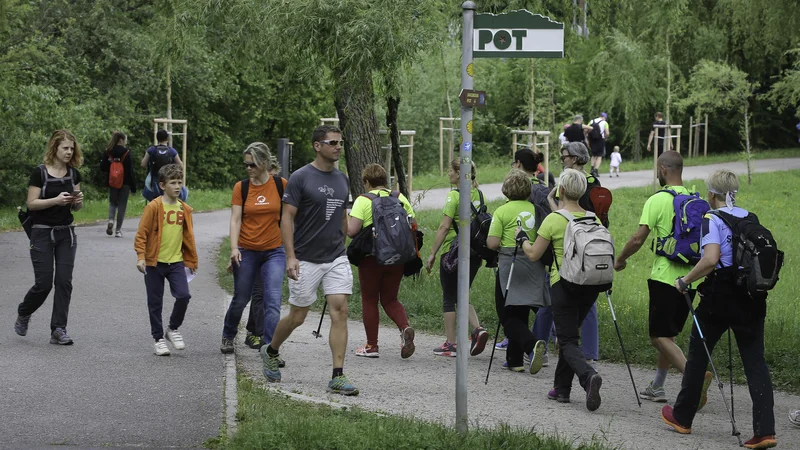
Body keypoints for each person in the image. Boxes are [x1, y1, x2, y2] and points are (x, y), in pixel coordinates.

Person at [661, 169, 776, 450]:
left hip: (719, 298)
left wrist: (685, 280)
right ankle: (765, 431)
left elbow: (711, 259)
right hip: (751, 297)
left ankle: (682, 417)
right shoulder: (750, 217)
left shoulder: (711, 218)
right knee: (755, 362)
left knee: (699, 356)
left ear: (711, 193)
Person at [260, 125, 358, 396]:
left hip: (336, 256)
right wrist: (290, 256)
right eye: (332, 142)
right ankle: (271, 350)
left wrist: (344, 243)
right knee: (298, 316)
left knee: (340, 310)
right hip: (305, 258)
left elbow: (341, 215)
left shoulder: (342, 179)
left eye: (340, 142)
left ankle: (337, 375)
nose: (338, 147)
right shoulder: (301, 177)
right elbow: (287, 218)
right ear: (318, 146)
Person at [614, 151, 712, 406]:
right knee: (668, 337)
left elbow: (638, 238)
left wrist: (620, 259)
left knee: (658, 337)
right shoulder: (694, 197)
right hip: (691, 278)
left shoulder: (658, 199)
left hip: (665, 278)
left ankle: (696, 378)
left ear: (662, 169)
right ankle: (658, 385)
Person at [518, 168, 603, 411]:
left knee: (566, 340)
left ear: (561, 189)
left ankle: (588, 377)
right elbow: (569, 218)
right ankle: (562, 389)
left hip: (564, 284)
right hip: (590, 284)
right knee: (570, 335)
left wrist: (522, 238)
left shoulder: (553, 220)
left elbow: (534, 254)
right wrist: (552, 202)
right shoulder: (591, 217)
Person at [531, 142, 600, 365]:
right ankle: (587, 352)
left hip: (565, 251)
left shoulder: (570, 183)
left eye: (565, 156)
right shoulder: (594, 183)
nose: (563, 160)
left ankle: (537, 349)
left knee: (549, 302)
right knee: (587, 305)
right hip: (589, 251)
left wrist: (552, 204)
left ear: (577, 158)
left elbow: (564, 216)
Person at [15, 130, 84, 345]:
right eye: (65, 148)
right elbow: (31, 204)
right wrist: (55, 200)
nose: (69, 152)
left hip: (66, 233)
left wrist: (77, 200)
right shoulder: (40, 173)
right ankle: (24, 311)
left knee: (64, 282)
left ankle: (58, 329)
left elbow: (78, 207)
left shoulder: (73, 174)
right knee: (43, 283)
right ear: (54, 148)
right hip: (42, 232)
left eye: (71, 148)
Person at [221, 142, 287, 355]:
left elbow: (289, 219)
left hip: (274, 251)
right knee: (241, 298)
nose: (248, 169)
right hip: (247, 250)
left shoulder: (281, 185)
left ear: (265, 163)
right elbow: (235, 220)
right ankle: (228, 335)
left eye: (253, 165)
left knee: (273, 299)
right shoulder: (242, 187)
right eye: (246, 165)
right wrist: (234, 248)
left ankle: (270, 349)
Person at [347, 163, 416, 359]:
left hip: (372, 259)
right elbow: (412, 224)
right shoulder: (399, 197)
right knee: (390, 299)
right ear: (385, 181)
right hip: (398, 257)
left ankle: (371, 346)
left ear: (367, 182)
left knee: (370, 299)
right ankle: (404, 328)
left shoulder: (363, 200)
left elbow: (352, 231)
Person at [424, 159, 490, 358]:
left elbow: (444, 227)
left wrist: (432, 253)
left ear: (459, 174)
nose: (448, 175)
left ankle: (451, 343)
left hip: (453, 252)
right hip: (475, 252)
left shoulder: (454, 196)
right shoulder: (479, 194)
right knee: (463, 294)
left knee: (449, 297)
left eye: (450, 171)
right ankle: (478, 330)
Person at [486, 169, 549, 373]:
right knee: (520, 309)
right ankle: (514, 360)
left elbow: (492, 243)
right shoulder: (536, 209)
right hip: (533, 262)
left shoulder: (502, 211)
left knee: (506, 314)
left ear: (506, 190)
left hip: (509, 262)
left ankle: (531, 345)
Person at [134, 164, 197, 356]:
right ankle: (158, 339)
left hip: (176, 263)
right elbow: (141, 234)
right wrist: (141, 257)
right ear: (162, 185)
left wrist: (192, 261)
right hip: (155, 263)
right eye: (173, 183)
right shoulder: (153, 207)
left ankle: (173, 328)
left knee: (184, 296)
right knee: (155, 302)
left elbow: (189, 237)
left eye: (180, 182)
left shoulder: (184, 209)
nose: (177, 186)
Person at [100, 131, 136, 237]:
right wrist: (133, 187)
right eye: (125, 140)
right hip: (125, 183)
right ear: (121, 140)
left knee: (113, 203)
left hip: (113, 182)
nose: (126, 142)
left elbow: (103, 167)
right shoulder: (126, 152)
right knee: (122, 205)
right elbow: (130, 171)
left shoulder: (108, 151)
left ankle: (111, 220)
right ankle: (118, 231)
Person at [141, 129, 183, 202]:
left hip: (155, 179)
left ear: (157, 138)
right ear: (167, 138)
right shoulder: (172, 151)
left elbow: (143, 164)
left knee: (155, 200)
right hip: (168, 179)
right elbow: (181, 166)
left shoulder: (151, 150)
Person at [588, 112, 609, 178]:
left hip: (592, 140)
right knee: (599, 156)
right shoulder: (605, 123)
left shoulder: (592, 121)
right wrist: (605, 138)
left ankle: (591, 169)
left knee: (593, 155)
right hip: (600, 140)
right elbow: (607, 133)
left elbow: (587, 129)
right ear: (605, 117)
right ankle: (596, 171)